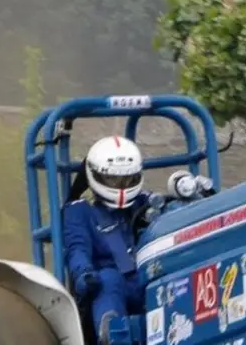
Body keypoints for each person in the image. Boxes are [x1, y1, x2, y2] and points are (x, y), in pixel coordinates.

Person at [64, 135, 202, 345]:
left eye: (127, 179)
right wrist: (84, 274)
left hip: (147, 276)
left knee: (174, 272)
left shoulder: (147, 203)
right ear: (95, 175)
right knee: (109, 278)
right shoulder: (80, 212)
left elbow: (173, 222)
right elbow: (77, 249)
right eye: (112, 179)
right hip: (107, 284)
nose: (120, 186)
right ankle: (113, 335)